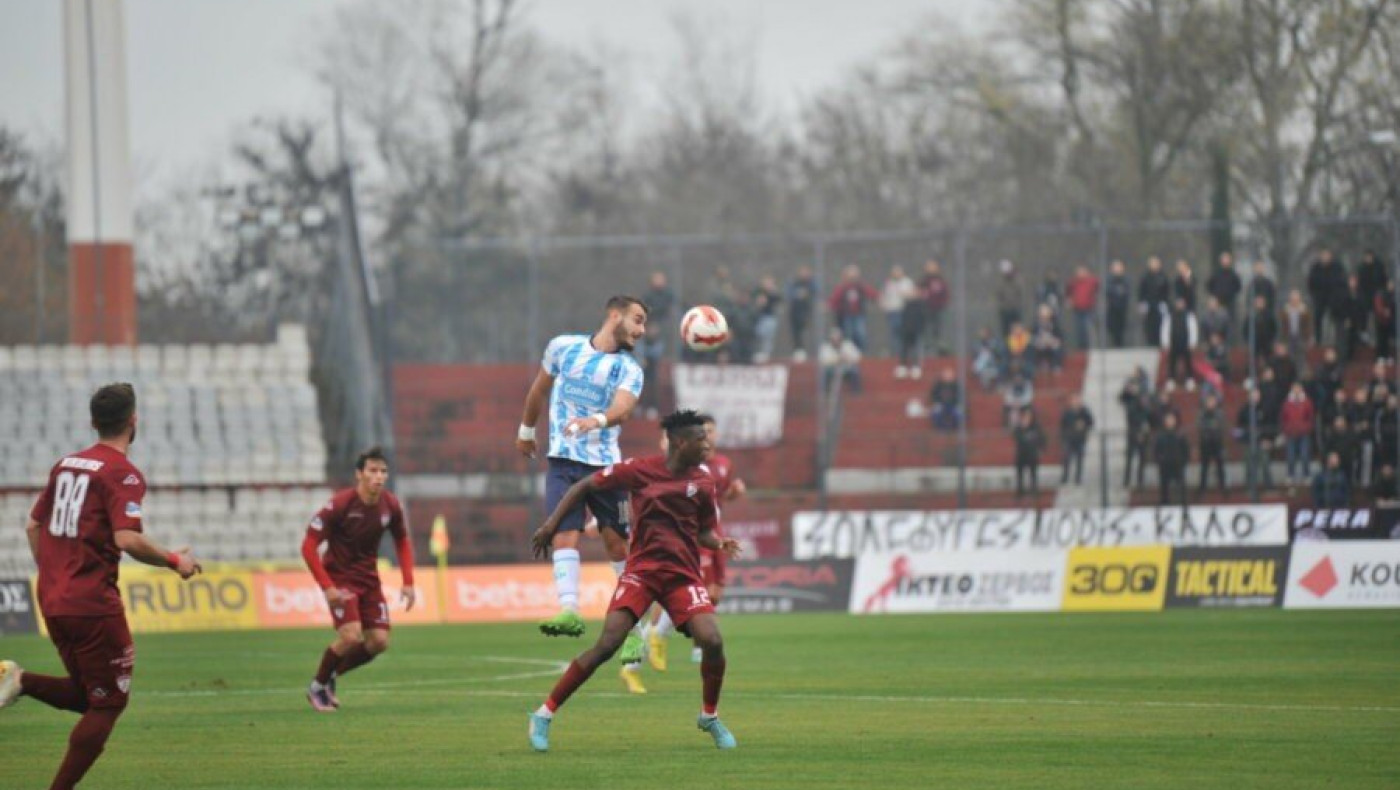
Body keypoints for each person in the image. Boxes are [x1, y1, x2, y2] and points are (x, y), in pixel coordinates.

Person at [0, 383, 202, 790]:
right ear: (133, 421)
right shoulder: (122, 473)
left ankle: (19, 680)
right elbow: (127, 539)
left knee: (87, 696)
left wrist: (56, 575)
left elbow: (32, 525)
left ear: (93, 422)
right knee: (109, 703)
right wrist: (176, 561)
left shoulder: (66, 464)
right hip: (92, 604)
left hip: (53, 597)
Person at [528, 410, 742, 752]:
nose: (708, 444)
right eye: (701, 439)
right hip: (641, 573)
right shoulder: (639, 470)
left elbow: (703, 530)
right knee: (607, 645)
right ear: (680, 442)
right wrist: (551, 526)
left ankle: (709, 716)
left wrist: (719, 542)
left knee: (712, 639)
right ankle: (543, 714)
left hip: (682, 577)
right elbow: (585, 485)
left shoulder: (703, 481)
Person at [516, 295, 649, 667]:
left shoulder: (629, 369)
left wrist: (597, 421)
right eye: (637, 320)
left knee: (616, 547)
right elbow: (540, 389)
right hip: (562, 461)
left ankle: (636, 634)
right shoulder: (563, 347)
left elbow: (623, 409)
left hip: (606, 467)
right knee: (563, 533)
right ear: (614, 315)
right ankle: (570, 611)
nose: (641, 331)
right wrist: (526, 430)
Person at [302, 447, 415, 711]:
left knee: (378, 641)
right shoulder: (339, 505)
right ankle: (317, 687)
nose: (379, 476)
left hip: (369, 581)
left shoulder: (391, 505)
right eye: (373, 470)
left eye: (383, 471)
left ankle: (329, 675)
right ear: (359, 474)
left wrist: (408, 581)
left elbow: (402, 539)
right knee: (351, 636)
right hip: (340, 580)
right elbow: (308, 547)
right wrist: (327, 587)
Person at [648, 414, 746, 673]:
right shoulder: (684, 465)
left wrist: (733, 494)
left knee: (714, 592)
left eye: (711, 431)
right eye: (704, 432)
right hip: (692, 535)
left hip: (713, 531)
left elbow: (718, 500)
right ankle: (658, 635)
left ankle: (689, 641)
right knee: (694, 587)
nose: (708, 437)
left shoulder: (723, 464)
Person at [828, 264, 879, 352]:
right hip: (846, 314)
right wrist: (830, 305)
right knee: (848, 334)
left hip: (858, 314)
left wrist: (877, 298)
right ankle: (850, 352)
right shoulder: (843, 287)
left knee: (860, 333)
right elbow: (835, 298)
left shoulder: (860, 286)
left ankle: (861, 351)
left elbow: (871, 293)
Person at [1236, 388, 1276, 491]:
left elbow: (1269, 425)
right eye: (1253, 395)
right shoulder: (1244, 410)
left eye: (1257, 394)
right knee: (1250, 468)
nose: (1255, 397)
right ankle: (1250, 489)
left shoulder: (1264, 409)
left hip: (1262, 443)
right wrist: (1244, 440)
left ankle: (1269, 488)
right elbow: (1239, 428)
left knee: (1265, 465)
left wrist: (1268, 439)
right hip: (1249, 443)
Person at [1307, 249, 1347, 344]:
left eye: (1327, 255)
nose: (1325, 257)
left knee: (1336, 320)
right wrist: (1314, 295)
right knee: (1317, 318)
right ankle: (1318, 340)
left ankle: (1338, 340)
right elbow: (1311, 283)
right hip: (1320, 298)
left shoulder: (1337, 267)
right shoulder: (1315, 268)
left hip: (1334, 298)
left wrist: (1338, 296)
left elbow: (1342, 283)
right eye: (1323, 255)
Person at [1120, 375, 1153, 488]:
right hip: (1131, 430)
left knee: (1141, 456)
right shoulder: (1128, 398)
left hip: (1140, 430)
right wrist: (1126, 390)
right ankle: (1126, 479)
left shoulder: (1142, 398)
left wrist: (1142, 429)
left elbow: (1146, 413)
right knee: (1129, 456)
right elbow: (1121, 398)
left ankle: (1140, 480)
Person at [1280, 383, 1315, 485]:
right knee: (1290, 456)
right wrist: (1287, 429)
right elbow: (1283, 418)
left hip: (1304, 433)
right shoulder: (1287, 403)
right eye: (1294, 389)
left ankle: (1306, 475)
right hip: (1291, 433)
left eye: (1298, 388)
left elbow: (1310, 417)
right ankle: (1290, 475)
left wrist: (1306, 428)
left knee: (1305, 456)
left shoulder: (1307, 402)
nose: (1296, 390)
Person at [1161, 297, 1199, 390]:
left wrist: (1192, 342)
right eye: (1178, 303)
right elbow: (1165, 329)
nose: (1180, 305)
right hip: (1173, 342)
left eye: (1181, 303)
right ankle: (1171, 380)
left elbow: (1193, 329)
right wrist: (1166, 343)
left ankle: (1190, 380)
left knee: (1188, 362)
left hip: (1185, 342)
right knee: (1172, 362)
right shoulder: (1169, 316)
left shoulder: (1189, 315)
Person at [1154, 411, 1190, 508]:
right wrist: (1160, 460)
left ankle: (1183, 503)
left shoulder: (1180, 434)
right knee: (1164, 486)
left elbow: (1185, 449)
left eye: (1172, 419)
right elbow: (1157, 450)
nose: (1170, 422)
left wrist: (1183, 461)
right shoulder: (1160, 435)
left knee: (1181, 485)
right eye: (1168, 419)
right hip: (1165, 464)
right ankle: (1165, 503)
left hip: (1178, 464)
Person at [880, 265, 916, 358]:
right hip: (892, 311)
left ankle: (905, 353)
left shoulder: (907, 282)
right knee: (894, 332)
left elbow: (912, 295)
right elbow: (885, 296)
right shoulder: (889, 283)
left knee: (902, 333)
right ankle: (896, 352)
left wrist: (903, 294)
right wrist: (884, 305)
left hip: (903, 311)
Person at [1059, 394, 1094, 485]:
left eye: (1078, 400)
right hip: (1069, 439)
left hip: (1080, 439)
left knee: (1079, 459)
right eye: (1074, 400)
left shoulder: (1085, 412)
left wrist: (1084, 424)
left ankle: (1078, 478)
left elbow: (1091, 423)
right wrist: (1064, 437)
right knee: (1067, 459)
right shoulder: (1067, 413)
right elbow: (1062, 425)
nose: (1076, 402)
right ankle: (1065, 477)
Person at [1012, 408, 1045, 500]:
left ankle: (1034, 490)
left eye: (1028, 416)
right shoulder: (1019, 427)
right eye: (1025, 417)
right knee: (1020, 474)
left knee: (1033, 474)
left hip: (1032, 455)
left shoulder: (1036, 427)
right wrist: (1023, 429)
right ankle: (1020, 491)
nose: (1026, 419)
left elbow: (1042, 438)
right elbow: (1016, 437)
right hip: (1021, 454)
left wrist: (1041, 449)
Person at [819, 327, 863, 395]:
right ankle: (825, 393)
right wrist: (836, 360)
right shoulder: (825, 347)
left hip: (846, 368)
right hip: (832, 369)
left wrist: (847, 358)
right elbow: (823, 360)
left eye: (838, 338)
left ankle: (856, 393)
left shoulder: (848, 345)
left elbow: (857, 357)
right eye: (834, 339)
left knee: (855, 370)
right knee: (825, 372)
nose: (836, 340)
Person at [1198, 393, 1227, 493]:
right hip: (1206, 443)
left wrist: (1212, 428)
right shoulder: (1202, 414)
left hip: (1217, 442)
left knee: (1220, 466)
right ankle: (1202, 488)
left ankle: (1223, 487)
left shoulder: (1220, 413)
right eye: (1209, 401)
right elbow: (1200, 426)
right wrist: (1211, 428)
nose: (1211, 403)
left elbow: (1221, 426)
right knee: (1204, 467)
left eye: (1212, 401)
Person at [1138, 256, 1170, 346]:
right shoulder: (1145, 277)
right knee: (1149, 325)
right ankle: (1150, 342)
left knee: (1160, 324)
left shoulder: (1163, 277)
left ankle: (1159, 342)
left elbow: (1166, 291)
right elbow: (1141, 291)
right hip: (1149, 305)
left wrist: (1165, 303)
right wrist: (1142, 303)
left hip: (1160, 304)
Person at [750, 275, 783, 364]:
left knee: (767, 336)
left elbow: (779, 299)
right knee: (759, 334)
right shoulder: (759, 291)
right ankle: (759, 352)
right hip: (759, 317)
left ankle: (766, 353)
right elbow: (753, 297)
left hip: (770, 317)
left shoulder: (773, 293)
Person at [786, 265, 817, 360]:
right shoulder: (794, 283)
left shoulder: (811, 283)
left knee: (805, 331)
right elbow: (789, 294)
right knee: (796, 332)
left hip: (806, 311)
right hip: (795, 311)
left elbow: (815, 291)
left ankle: (807, 351)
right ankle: (798, 350)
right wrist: (797, 295)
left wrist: (806, 293)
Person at [1067, 264, 1100, 350]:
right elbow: (1068, 292)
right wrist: (1070, 300)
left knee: (1089, 328)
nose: (1080, 274)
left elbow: (1099, 287)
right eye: (1079, 272)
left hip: (1089, 309)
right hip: (1077, 309)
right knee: (1080, 329)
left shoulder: (1092, 281)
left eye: (1082, 271)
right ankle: (1082, 347)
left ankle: (1092, 346)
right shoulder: (1073, 282)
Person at [1207, 252, 1243, 330]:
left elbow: (1238, 287)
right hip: (1218, 304)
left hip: (1230, 303)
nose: (1225, 262)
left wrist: (1231, 293)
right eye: (1224, 260)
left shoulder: (1234, 275)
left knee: (1230, 325)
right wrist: (1214, 297)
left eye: (1227, 260)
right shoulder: (1216, 274)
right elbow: (1209, 285)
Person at [921, 260, 950, 357]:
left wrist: (943, 303)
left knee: (938, 328)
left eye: (933, 267)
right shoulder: (924, 280)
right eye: (929, 267)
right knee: (927, 328)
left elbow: (945, 292)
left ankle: (939, 349)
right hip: (926, 307)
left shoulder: (940, 280)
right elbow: (920, 291)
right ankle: (928, 349)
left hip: (938, 307)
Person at [1337, 274, 1368, 361]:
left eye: (1354, 281)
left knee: (1356, 340)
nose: (1353, 283)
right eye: (1351, 281)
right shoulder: (1344, 293)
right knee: (1345, 339)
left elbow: (1362, 308)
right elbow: (1341, 307)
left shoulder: (1360, 293)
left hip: (1357, 321)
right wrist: (1346, 318)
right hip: (1346, 320)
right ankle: (1345, 358)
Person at [1279, 289, 1314, 365]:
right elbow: (1282, 327)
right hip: (1289, 337)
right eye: (1293, 299)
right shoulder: (1285, 311)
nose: (1294, 301)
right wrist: (1282, 341)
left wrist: (1309, 338)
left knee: (1301, 359)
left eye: (1296, 299)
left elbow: (1308, 325)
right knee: (1289, 359)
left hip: (1301, 337)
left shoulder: (1304, 311)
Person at [996, 260, 1026, 336]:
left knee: (1017, 331)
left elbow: (1021, 291)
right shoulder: (1001, 281)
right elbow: (999, 293)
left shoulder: (1017, 279)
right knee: (1006, 332)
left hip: (1016, 309)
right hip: (1005, 310)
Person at [1106, 259, 1131, 347]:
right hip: (1112, 307)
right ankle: (1114, 343)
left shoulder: (1125, 279)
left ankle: (1121, 344)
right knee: (1112, 326)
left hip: (1122, 307)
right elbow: (1108, 291)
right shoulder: (1109, 279)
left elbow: (1127, 292)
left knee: (1122, 326)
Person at [1245, 293, 1277, 362]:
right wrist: (1248, 341)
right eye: (1258, 302)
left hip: (1266, 343)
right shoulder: (1251, 316)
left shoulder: (1269, 315)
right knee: (1254, 361)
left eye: (1261, 302)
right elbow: (1245, 330)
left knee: (1268, 360)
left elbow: (1274, 328)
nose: (1259, 304)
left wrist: (1271, 340)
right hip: (1255, 343)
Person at [930, 367, 963, 431]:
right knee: (936, 411)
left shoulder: (957, 385)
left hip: (954, 404)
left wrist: (958, 403)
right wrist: (936, 402)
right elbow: (933, 395)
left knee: (959, 412)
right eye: (946, 375)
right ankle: (940, 428)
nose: (948, 376)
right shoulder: (938, 385)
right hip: (941, 404)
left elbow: (961, 396)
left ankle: (955, 429)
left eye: (950, 375)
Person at [1374, 279, 1397, 360]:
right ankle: (1380, 356)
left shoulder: (1393, 294)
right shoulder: (1381, 293)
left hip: (1389, 321)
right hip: (1381, 321)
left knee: (1387, 340)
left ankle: (1386, 356)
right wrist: (1384, 311)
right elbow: (1378, 306)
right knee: (1381, 339)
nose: (1392, 286)